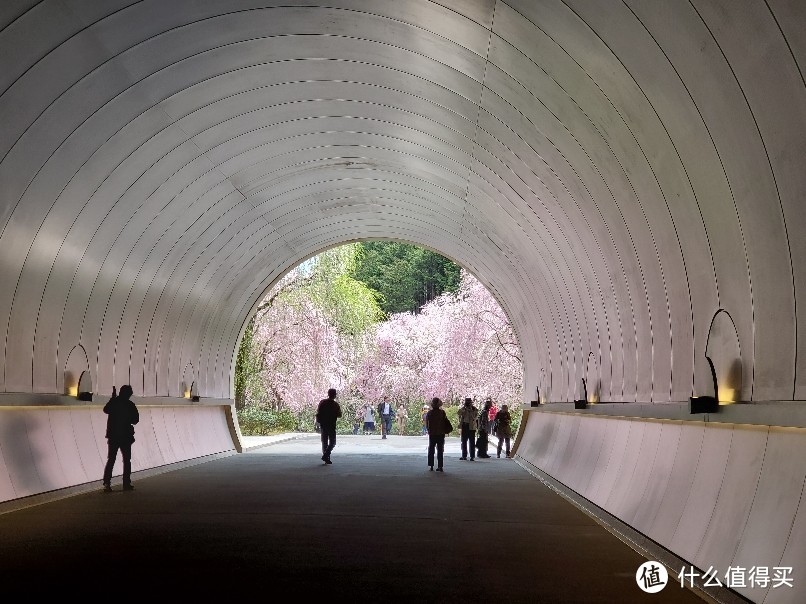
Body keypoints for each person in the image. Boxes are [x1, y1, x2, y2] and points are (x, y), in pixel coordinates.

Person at [102, 385, 139, 492]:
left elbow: (106, 410)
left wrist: (113, 398)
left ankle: (107, 483)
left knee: (111, 460)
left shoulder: (115, 402)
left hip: (113, 436)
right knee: (127, 460)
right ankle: (126, 483)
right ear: (128, 394)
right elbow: (135, 420)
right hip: (126, 437)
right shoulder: (130, 405)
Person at [316, 388, 342, 464]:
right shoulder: (335, 405)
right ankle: (326, 455)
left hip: (323, 424)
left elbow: (318, 412)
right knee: (332, 442)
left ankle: (326, 457)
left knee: (324, 442)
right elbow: (339, 415)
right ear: (334, 395)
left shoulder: (322, 402)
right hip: (331, 425)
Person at [425, 397, 450, 472]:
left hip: (432, 433)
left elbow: (427, 423)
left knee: (431, 449)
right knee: (440, 450)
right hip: (441, 433)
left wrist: (429, 430)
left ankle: (431, 465)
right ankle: (440, 466)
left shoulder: (429, 413)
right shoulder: (442, 412)